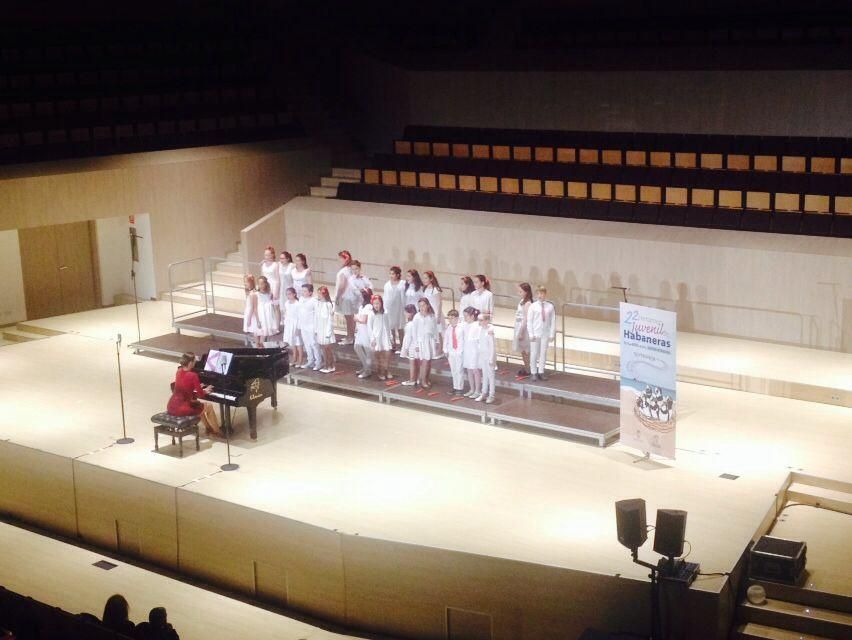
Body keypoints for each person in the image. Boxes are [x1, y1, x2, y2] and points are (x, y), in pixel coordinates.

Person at [167, 353, 220, 435]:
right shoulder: (193, 375)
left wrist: (196, 387)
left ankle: (208, 428)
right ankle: (217, 432)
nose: (196, 362)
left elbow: (185, 387)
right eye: (194, 360)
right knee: (208, 406)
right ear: (190, 363)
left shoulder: (179, 371)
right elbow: (201, 395)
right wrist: (205, 390)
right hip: (181, 408)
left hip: (172, 406)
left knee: (198, 404)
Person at [527, 285, 556, 381]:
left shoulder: (550, 306)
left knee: (543, 353)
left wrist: (552, 334)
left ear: (545, 294)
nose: (540, 295)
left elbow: (553, 321)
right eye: (538, 293)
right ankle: (533, 372)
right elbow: (529, 321)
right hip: (535, 333)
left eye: (542, 293)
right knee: (534, 353)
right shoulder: (533, 306)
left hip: (545, 333)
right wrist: (531, 334)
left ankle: (541, 371)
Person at [412, 297, 438, 388]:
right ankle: (423, 380)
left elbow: (435, 329)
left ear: (427, 305)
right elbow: (414, 332)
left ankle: (426, 378)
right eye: (420, 306)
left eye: (423, 305)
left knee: (429, 361)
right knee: (424, 362)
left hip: (429, 341)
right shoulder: (417, 317)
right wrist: (416, 344)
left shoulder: (431, 316)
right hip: (421, 341)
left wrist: (436, 341)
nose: (422, 307)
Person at [368, 294, 393, 380]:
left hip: (384, 336)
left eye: (378, 303)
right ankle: (380, 371)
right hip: (376, 337)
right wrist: (372, 339)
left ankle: (386, 369)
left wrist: (390, 336)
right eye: (374, 303)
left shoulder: (385, 313)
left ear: (381, 304)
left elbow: (388, 325)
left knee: (387, 354)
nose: (376, 305)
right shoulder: (371, 314)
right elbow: (369, 328)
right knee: (378, 356)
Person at [334, 250, 357, 344]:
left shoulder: (344, 271)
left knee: (348, 318)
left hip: (345, 297)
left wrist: (338, 296)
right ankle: (350, 336)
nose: (338, 260)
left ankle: (350, 338)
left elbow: (342, 285)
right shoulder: (350, 269)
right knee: (350, 318)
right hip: (351, 296)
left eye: (340, 258)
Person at [383, 266, 406, 352]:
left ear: (398, 275)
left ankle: (402, 345)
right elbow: (385, 297)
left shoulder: (402, 283)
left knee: (400, 327)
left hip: (399, 308)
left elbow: (404, 297)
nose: (391, 275)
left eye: (393, 274)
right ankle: (393, 344)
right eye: (390, 273)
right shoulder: (387, 285)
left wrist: (405, 308)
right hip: (390, 309)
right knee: (391, 327)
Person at [298, 283, 321, 370]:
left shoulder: (314, 301)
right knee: (307, 344)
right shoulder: (300, 299)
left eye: (305, 291)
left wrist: (316, 328)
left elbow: (317, 315)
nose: (303, 292)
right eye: (302, 291)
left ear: (310, 292)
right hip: (303, 325)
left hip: (311, 326)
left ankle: (318, 362)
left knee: (314, 344)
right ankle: (310, 360)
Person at [443, 309, 465, 395]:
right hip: (451, 352)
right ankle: (455, 387)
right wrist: (445, 350)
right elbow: (446, 340)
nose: (450, 320)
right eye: (449, 318)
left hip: (459, 352)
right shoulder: (449, 328)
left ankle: (460, 388)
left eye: (452, 318)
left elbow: (463, 340)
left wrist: (462, 351)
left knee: (459, 370)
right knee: (453, 370)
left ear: (456, 318)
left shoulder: (461, 328)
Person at [513, 282, 533, 376]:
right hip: (519, 326)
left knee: (526, 350)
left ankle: (529, 369)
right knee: (523, 350)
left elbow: (525, 319)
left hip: (524, 329)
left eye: (520, 291)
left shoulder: (528, 303)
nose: (519, 293)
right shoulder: (522, 302)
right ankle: (527, 368)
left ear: (526, 292)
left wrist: (521, 332)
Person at [476, 313, 497, 403]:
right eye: (478, 320)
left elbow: (492, 346)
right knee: (484, 375)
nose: (479, 322)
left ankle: (491, 395)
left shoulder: (490, 331)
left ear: (486, 321)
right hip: (482, 356)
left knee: (491, 376)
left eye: (481, 320)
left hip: (489, 356)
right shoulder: (480, 330)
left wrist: (491, 359)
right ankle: (484, 393)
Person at [354, 287, 374, 379]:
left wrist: (356, 319)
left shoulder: (368, 307)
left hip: (366, 331)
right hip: (360, 330)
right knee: (357, 347)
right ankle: (365, 367)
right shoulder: (362, 306)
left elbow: (364, 320)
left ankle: (367, 370)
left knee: (367, 350)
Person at [423, 270, 444, 356]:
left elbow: (439, 303)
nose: (424, 280)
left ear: (431, 279)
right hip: (428, 312)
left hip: (435, 312)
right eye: (423, 278)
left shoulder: (435, 289)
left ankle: (440, 349)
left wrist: (438, 315)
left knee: (438, 331)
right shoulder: (425, 289)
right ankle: (431, 348)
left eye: (426, 278)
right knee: (430, 331)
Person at [315, 285, 336, 373]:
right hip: (320, 329)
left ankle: (331, 366)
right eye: (318, 294)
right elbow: (316, 317)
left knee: (328, 349)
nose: (318, 295)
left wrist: (328, 333)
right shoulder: (318, 303)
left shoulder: (328, 305)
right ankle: (326, 364)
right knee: (323, 349)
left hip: (327, 330)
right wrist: (316, 330)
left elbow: (330, 320)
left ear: (324, 294)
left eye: (320, 294)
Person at [462, 307, 481, 398]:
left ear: (472, 316)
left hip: (474, 351)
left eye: (466, 316)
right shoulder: (465, 325)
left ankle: (477, 390)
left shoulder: (477, 325)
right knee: (469, 370)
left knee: (475, 370)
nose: (465, 318)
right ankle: (472, 389)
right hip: (467, 350)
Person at [254, 275, 279, 346]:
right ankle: (257, 350)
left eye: (263, 283)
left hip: (267, 318)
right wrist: (258, 320)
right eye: (259, 284)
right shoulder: (256, 295)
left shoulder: (270, 294)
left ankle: (261, 352)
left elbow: (274, 307)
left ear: (266, 284)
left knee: (264, 335)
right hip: (260, 317)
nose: (261, 285)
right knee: (257, 334)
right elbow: (255, 308)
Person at [400, 304, 419, 386]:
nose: (405, 314)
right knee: (417, 363)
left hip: (412, 347)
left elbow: (408, 338)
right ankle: (417, 378)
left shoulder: (410, 324)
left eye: (406, 312)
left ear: (410, 313)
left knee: (412, 364)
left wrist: (405, 349)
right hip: (416, 346)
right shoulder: (416, 322)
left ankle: (412, 380)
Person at [280, 287, 301, 356]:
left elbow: (299, 317)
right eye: (287, 294)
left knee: (297, 342)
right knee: (291, 342)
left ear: (294, 294)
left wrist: (298, 328)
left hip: (295, 324)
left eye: (289, 294)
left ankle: (299, 359)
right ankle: (294, 357)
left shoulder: (297, 304)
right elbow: (286, 313)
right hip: (289, 324)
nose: (288, 296)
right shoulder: (287, 303)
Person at [243, 274, 261, 347]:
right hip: (249, 313)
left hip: (252, 316)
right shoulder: (250, 292)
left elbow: (253, 307)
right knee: (255, 334)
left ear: (251, 282)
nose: (245, 284)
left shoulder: (253, 293)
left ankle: (259, 350)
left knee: (256, 334)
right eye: (244, 282)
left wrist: (249, 319)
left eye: (246, 282)